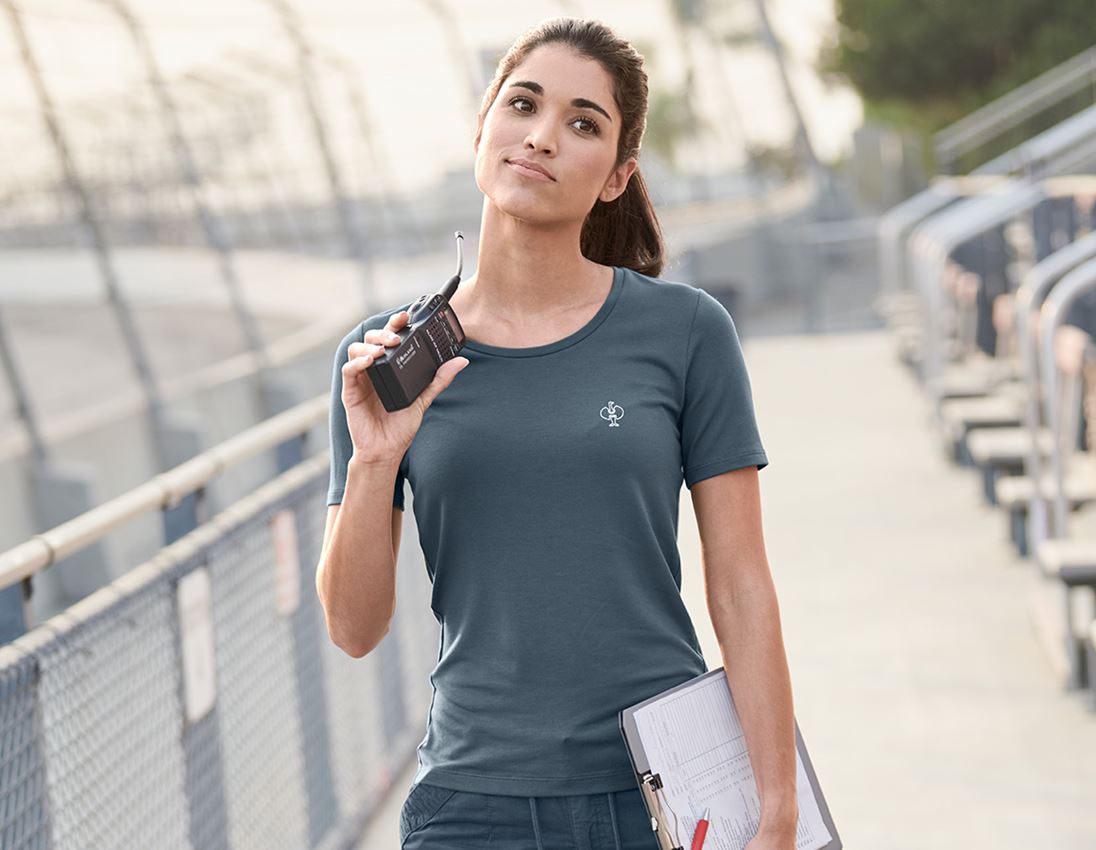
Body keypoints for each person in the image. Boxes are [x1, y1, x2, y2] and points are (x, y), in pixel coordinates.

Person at [316, 16, 797, 850]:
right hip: (471, 802)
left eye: (583, 123)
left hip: (662, 793)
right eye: (523, 104)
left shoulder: (684, 331)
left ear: (616, 177)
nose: (541, 137)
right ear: (482, 130)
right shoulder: (384, 363)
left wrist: (778, 807)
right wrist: (374, 461)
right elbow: (354, 630)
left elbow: (741, 586)